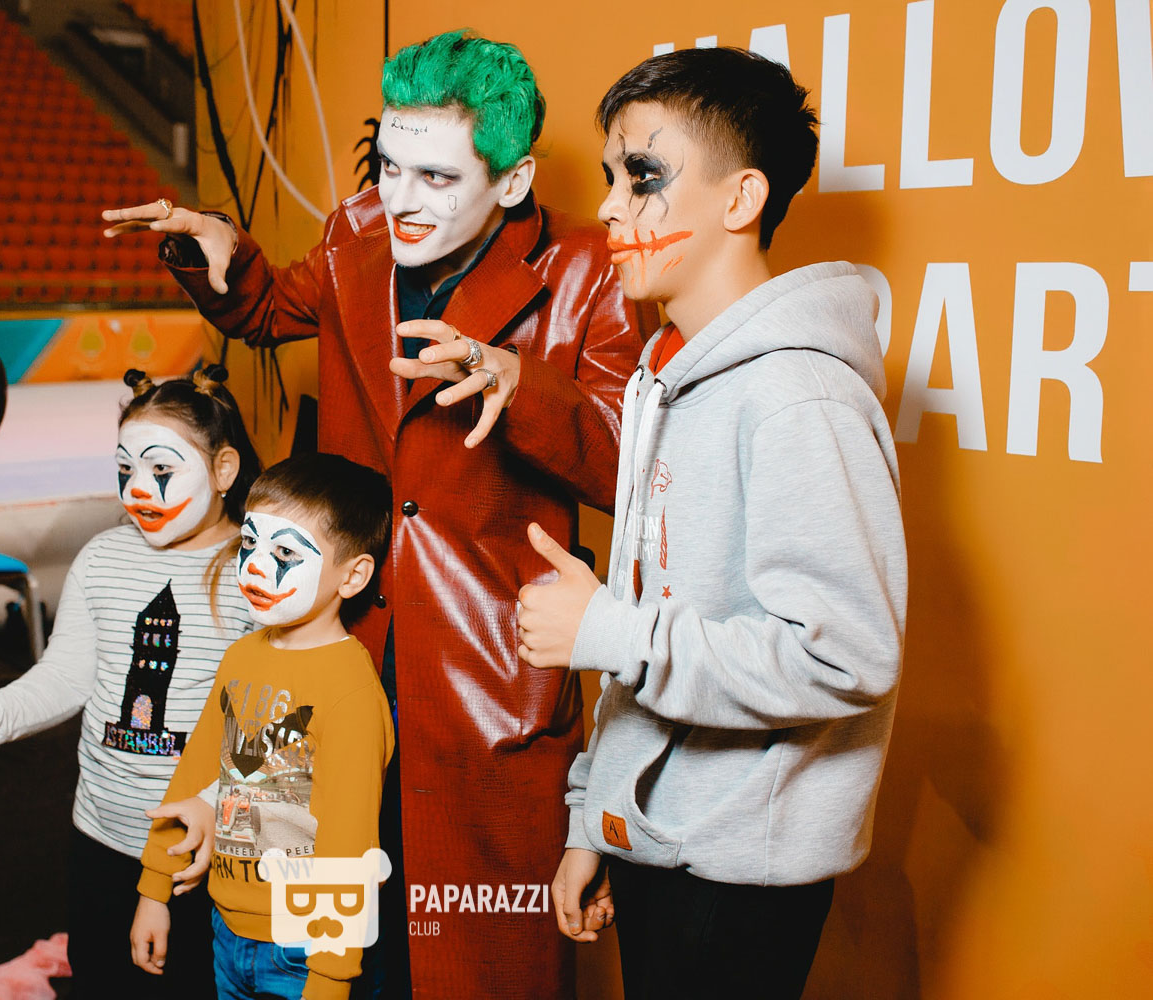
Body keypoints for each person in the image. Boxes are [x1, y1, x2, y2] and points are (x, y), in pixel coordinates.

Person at [104, 30, 643, 998]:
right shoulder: (355, 231)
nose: (400, 198)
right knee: (325, 938)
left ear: (513, 182)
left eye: (437, 177)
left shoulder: (589, 269)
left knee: (478, 965)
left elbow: (621, 461)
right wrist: (218, 251)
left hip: (487, 679)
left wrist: (515, 383)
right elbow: (268, 311)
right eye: (391, 166)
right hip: (340, 639)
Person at [515, 46, 908, 1000]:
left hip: (740, 875)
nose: (610, 207)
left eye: (642, 177)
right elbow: (657, 608)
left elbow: (844, 655)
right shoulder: (665, 370)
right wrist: (597, 818)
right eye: (611, 177)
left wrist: (609, 632)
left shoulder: (797, 396)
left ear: (741, 199)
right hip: (660, 842)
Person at [0, 365, 262, 998]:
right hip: (102, 837)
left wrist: (218, 809)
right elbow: (64, 675)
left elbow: (277, 726)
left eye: (161, 470)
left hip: (208, 853)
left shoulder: (260, 576)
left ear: (224, 470)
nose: (138, 490)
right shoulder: (103, 558)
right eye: (125, 469)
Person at [130, 453, 395, 1000]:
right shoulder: (241, 657)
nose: (252, 566)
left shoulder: (350, 690)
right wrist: (154, 888)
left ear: (352, 576)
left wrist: (331, 977)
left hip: (306, 949)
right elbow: (195, 773)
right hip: (226, 928)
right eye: (250, 544)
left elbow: (349, 842)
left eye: (284, 553)